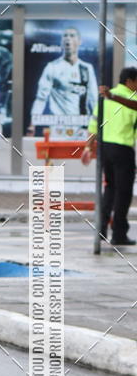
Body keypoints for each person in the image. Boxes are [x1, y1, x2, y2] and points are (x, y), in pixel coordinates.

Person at [84, 67, 137, 245]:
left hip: (105, 148)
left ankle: (101, 230)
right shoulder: (133, 97)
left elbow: (94, 123)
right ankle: (119, 234)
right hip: (123, 149)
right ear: (130, 81)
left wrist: (88, 147)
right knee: (124, 192)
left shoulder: (104, 98)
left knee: (110, 188)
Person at [28, 26, 98, 137]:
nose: (68, 38)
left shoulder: (86, 68)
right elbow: (41, 98)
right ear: (61, 42)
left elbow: (94, 100)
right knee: (58, 154)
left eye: (72, 35)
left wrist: (96, 125)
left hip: (82, 127)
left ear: (79, 41)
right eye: (65, 36)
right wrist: (32, 125)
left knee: (81, 154)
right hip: (59, 128)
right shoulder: (52, 67)